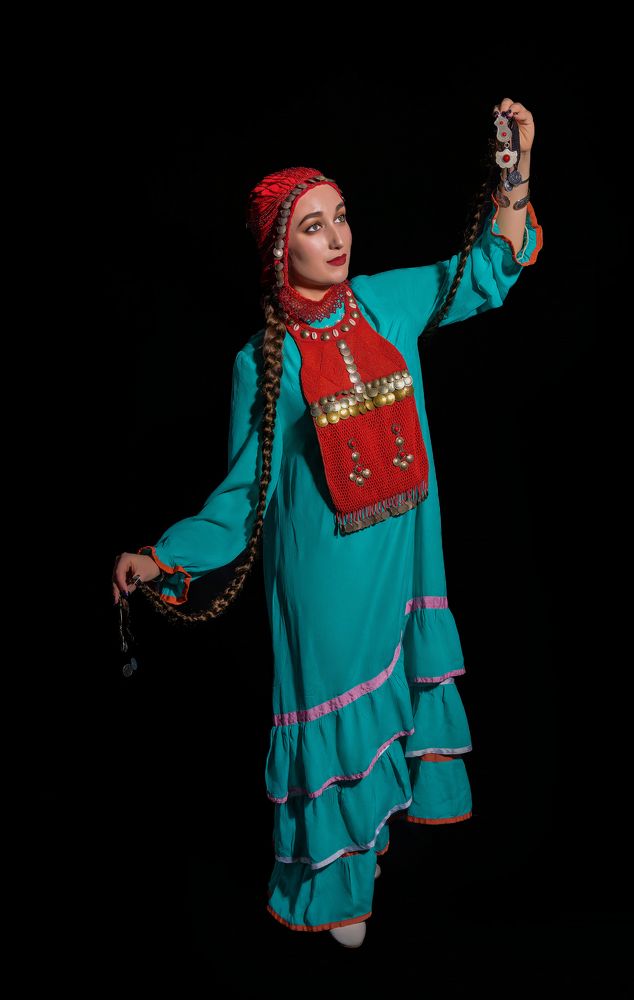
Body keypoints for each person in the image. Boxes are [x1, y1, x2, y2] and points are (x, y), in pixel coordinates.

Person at [112, 98, 543, 948]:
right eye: (314, 226)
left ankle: (370, 842)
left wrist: (517, 167)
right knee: (337, 716)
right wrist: (162, 557)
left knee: (393, 704)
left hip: (404, 556)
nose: (337, 237)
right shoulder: (261, 359)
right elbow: (243, 494)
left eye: (340, 216)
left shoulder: (386, 303)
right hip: (326, 577)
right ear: (283, 249)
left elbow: (488, 268)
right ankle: (339, 879)